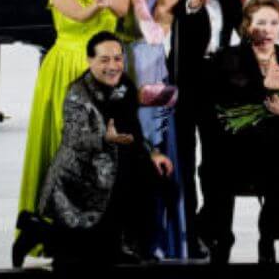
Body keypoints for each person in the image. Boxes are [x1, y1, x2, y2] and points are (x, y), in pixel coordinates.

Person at [15, 0, 131, 264]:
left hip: (103, 68)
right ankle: (51, 230)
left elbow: (122, 9)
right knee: (66, 147)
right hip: (65, 68)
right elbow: (78, 14)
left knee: (104, 151)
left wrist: (109, 1)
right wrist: (97, 5)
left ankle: (96, 237)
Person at [19, 32, 173, 268]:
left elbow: (134, 130)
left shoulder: (126, 86)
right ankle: (35, 230)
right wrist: (105, 138)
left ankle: (128, 242)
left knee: (151, 174)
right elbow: (75, 139)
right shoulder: (77, 94)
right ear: (90, 61)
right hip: (81, 179)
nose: (113, 66)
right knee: (82, 255)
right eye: (104, 60)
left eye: (117, 59)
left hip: (116, 165)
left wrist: (153, 153)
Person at [157, 0, 244, 258]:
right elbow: (167, 20)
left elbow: (245, 33)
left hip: (218, 83)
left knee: (217, 163)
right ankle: (188, 234)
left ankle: (212, 227)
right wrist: (190, 7)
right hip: (185, 84)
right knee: (184, 159)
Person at [207, 0, 279, 265]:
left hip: (275, 150)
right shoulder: (227, 58)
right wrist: (263, 88)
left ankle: (267, 238)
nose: (268, 29)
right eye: (261, 22)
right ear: (248, 26)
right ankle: (222, 238)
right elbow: (221, 104)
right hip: (236, 148)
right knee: (217, 169)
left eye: (273, 22)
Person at [117, 0, 187, 260]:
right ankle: (120, 235)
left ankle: (153, 238)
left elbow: (157, 35)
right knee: (122, 148)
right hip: (119, 65)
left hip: (150, 71)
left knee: (153, 149)